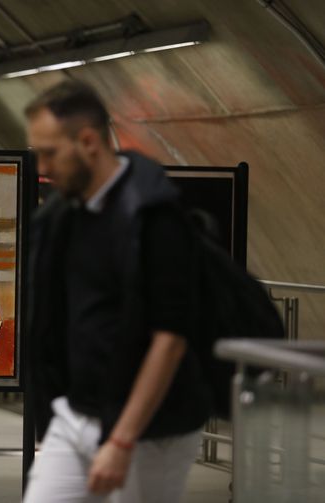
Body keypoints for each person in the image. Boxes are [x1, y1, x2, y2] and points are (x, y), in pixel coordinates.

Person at [23, 81, 212, 502]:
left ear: (88, 141)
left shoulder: (155, 218)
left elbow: (170, 340)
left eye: (50, 152)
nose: (43, 165)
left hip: (150, 429)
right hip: (76, 413)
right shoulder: (62, 216)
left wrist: (122, 440)